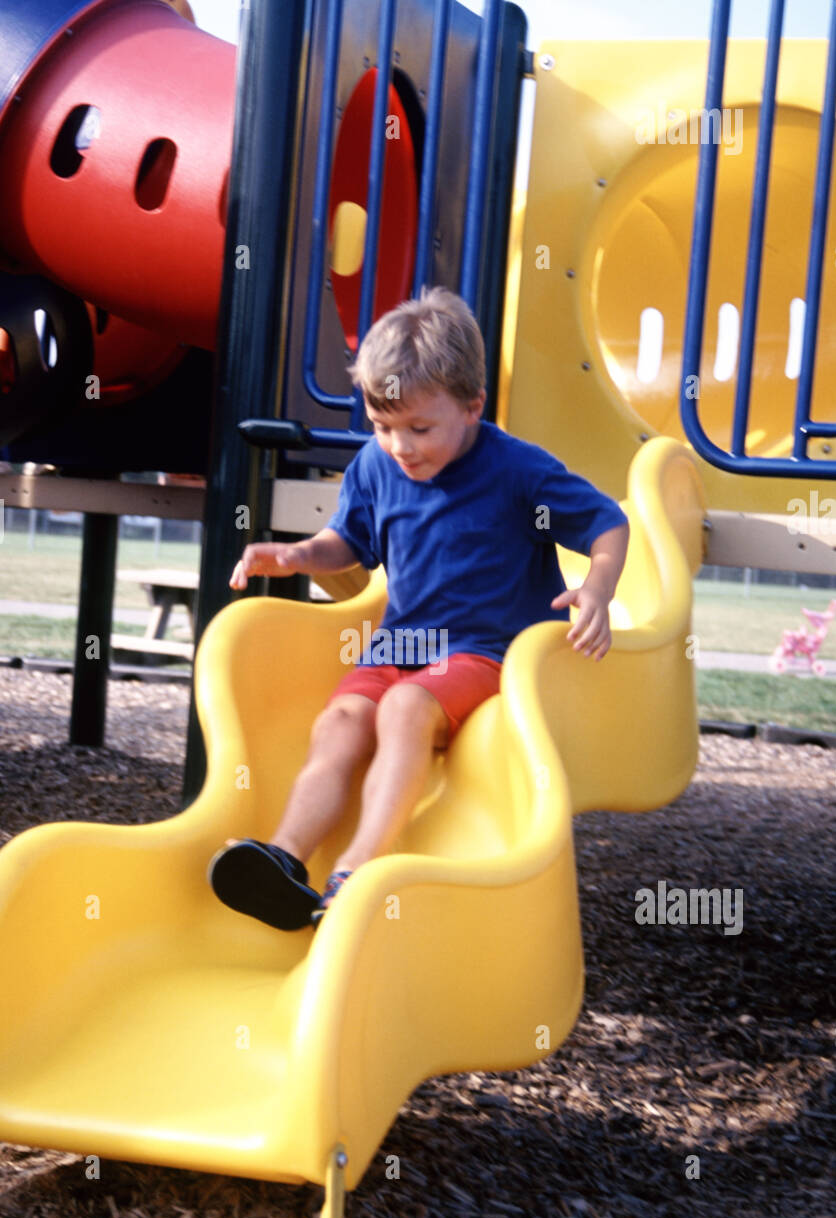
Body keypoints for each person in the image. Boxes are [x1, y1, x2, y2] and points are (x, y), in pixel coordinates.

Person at [208, 287, 629, 929]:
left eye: (419, 428)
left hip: (486, 652)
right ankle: (284, 858)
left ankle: (356, 869)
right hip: (399, 649)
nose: (400, 446)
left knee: (404, 709)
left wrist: (596, 589)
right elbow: (347, 543)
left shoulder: (518, 470)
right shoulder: (377, 467)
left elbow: (607, 522)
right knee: (343, 720)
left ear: (472, 406)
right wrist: (296, 557)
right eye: (382, 427)